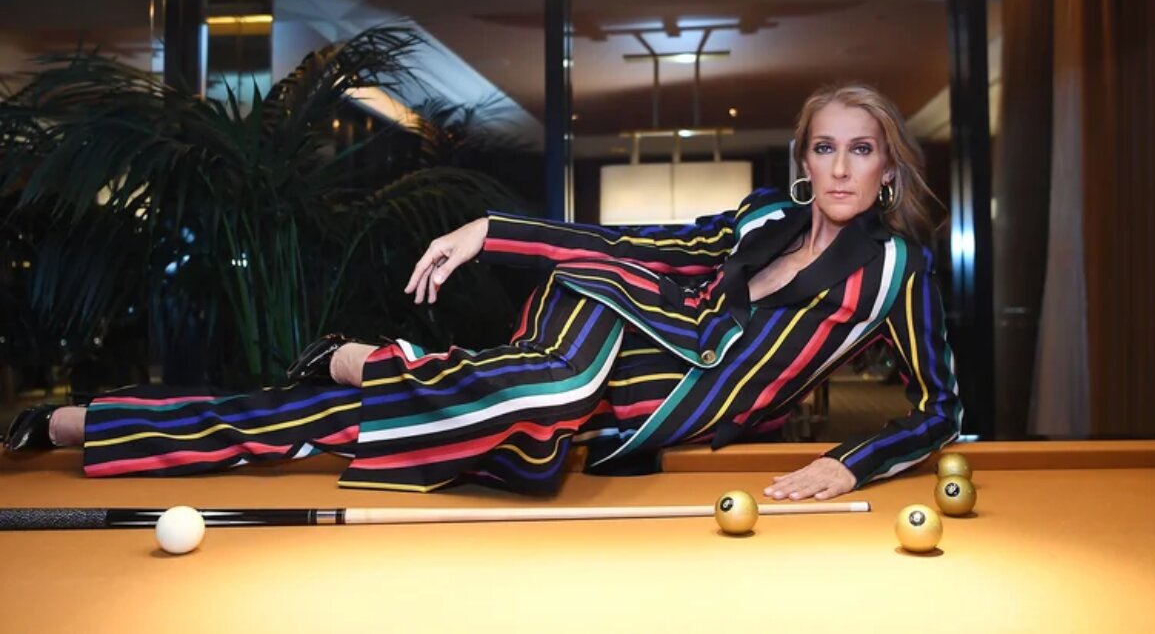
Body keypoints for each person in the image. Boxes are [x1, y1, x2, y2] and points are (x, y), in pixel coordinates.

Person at [3, 82, 962, 501]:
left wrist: (852, 461)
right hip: (601, 327)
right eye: (826, 146)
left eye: (862, 148)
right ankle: (378, 363)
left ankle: (85, 423)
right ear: (804, 159)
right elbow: (639, 243)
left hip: (635, 410)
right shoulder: (761, 220)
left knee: (345, 420)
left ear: (888, 167)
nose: (842, 165)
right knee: (545, 387)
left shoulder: (896, 273)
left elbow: (939, 409)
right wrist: (492, 232)